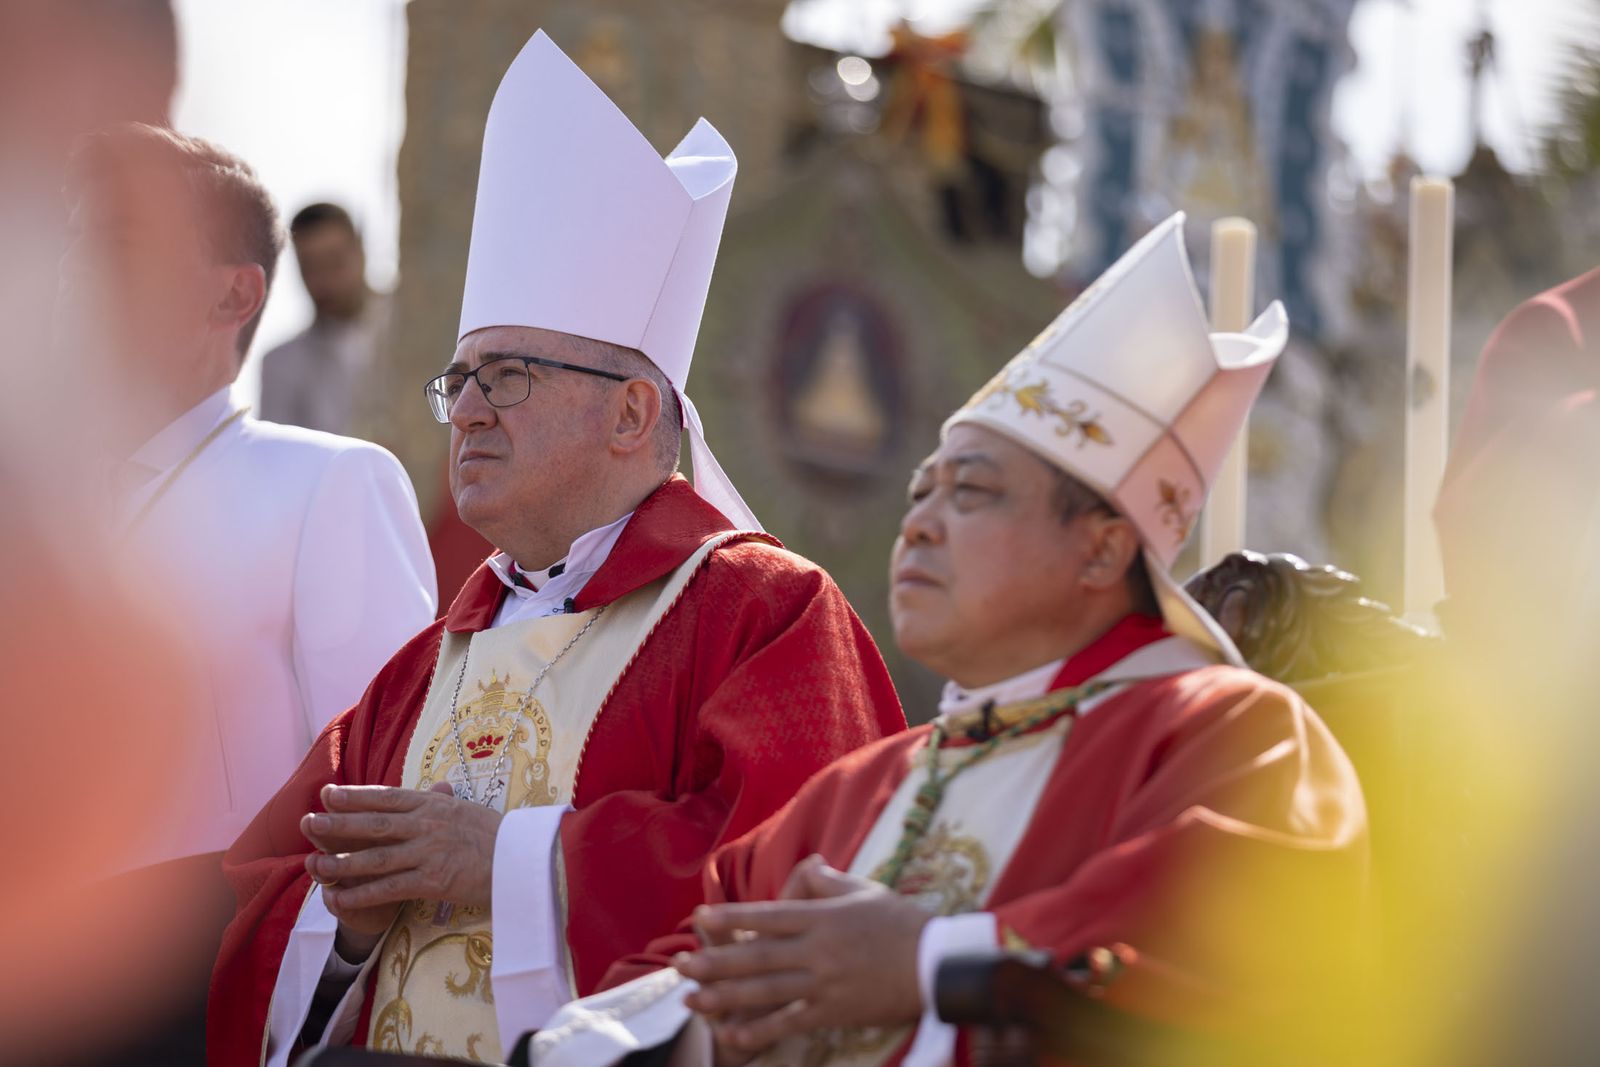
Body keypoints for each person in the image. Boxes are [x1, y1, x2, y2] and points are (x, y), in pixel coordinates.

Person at [207, 30, 905, 1067]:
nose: (469, 412)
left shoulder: (759, 613)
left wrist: (517, 862)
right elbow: (259, 887)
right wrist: (346, 923)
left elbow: (806, 882)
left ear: (632, 413)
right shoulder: (422, 664)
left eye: (511, 375)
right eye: (460, 380)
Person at [528, 214, 1368, 1067]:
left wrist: (927, 960)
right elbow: (677, 972)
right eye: (918, 494)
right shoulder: (861, 788)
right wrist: (703, 1029)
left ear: (1104, 545)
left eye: (968, 491)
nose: (919, 526)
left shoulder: (1228, 734)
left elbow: (1237, 947)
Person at [52, 122, 437, 1063]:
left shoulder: (329, 485)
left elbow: (382, 796)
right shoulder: (36, 518)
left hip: (217, 1000)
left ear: (236, 292)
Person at [258, 202, 390, 437]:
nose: (324, 280)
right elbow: (278, 459)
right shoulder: (281, 364)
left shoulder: (413, 325)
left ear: (359, 250)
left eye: (334, 262)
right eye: (310, 267)